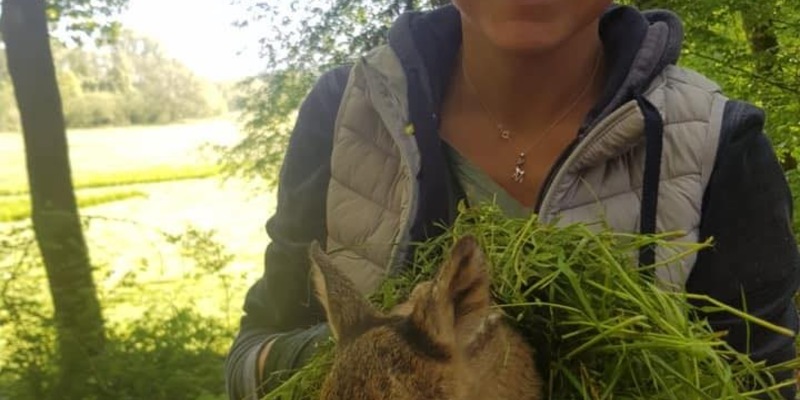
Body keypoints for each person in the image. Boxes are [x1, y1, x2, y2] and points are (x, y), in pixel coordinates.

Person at [225, 1, 800, 399]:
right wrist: (379, 356)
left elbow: (769, 382)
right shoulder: (347, 115)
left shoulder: (715, 145)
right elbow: (250, 364)